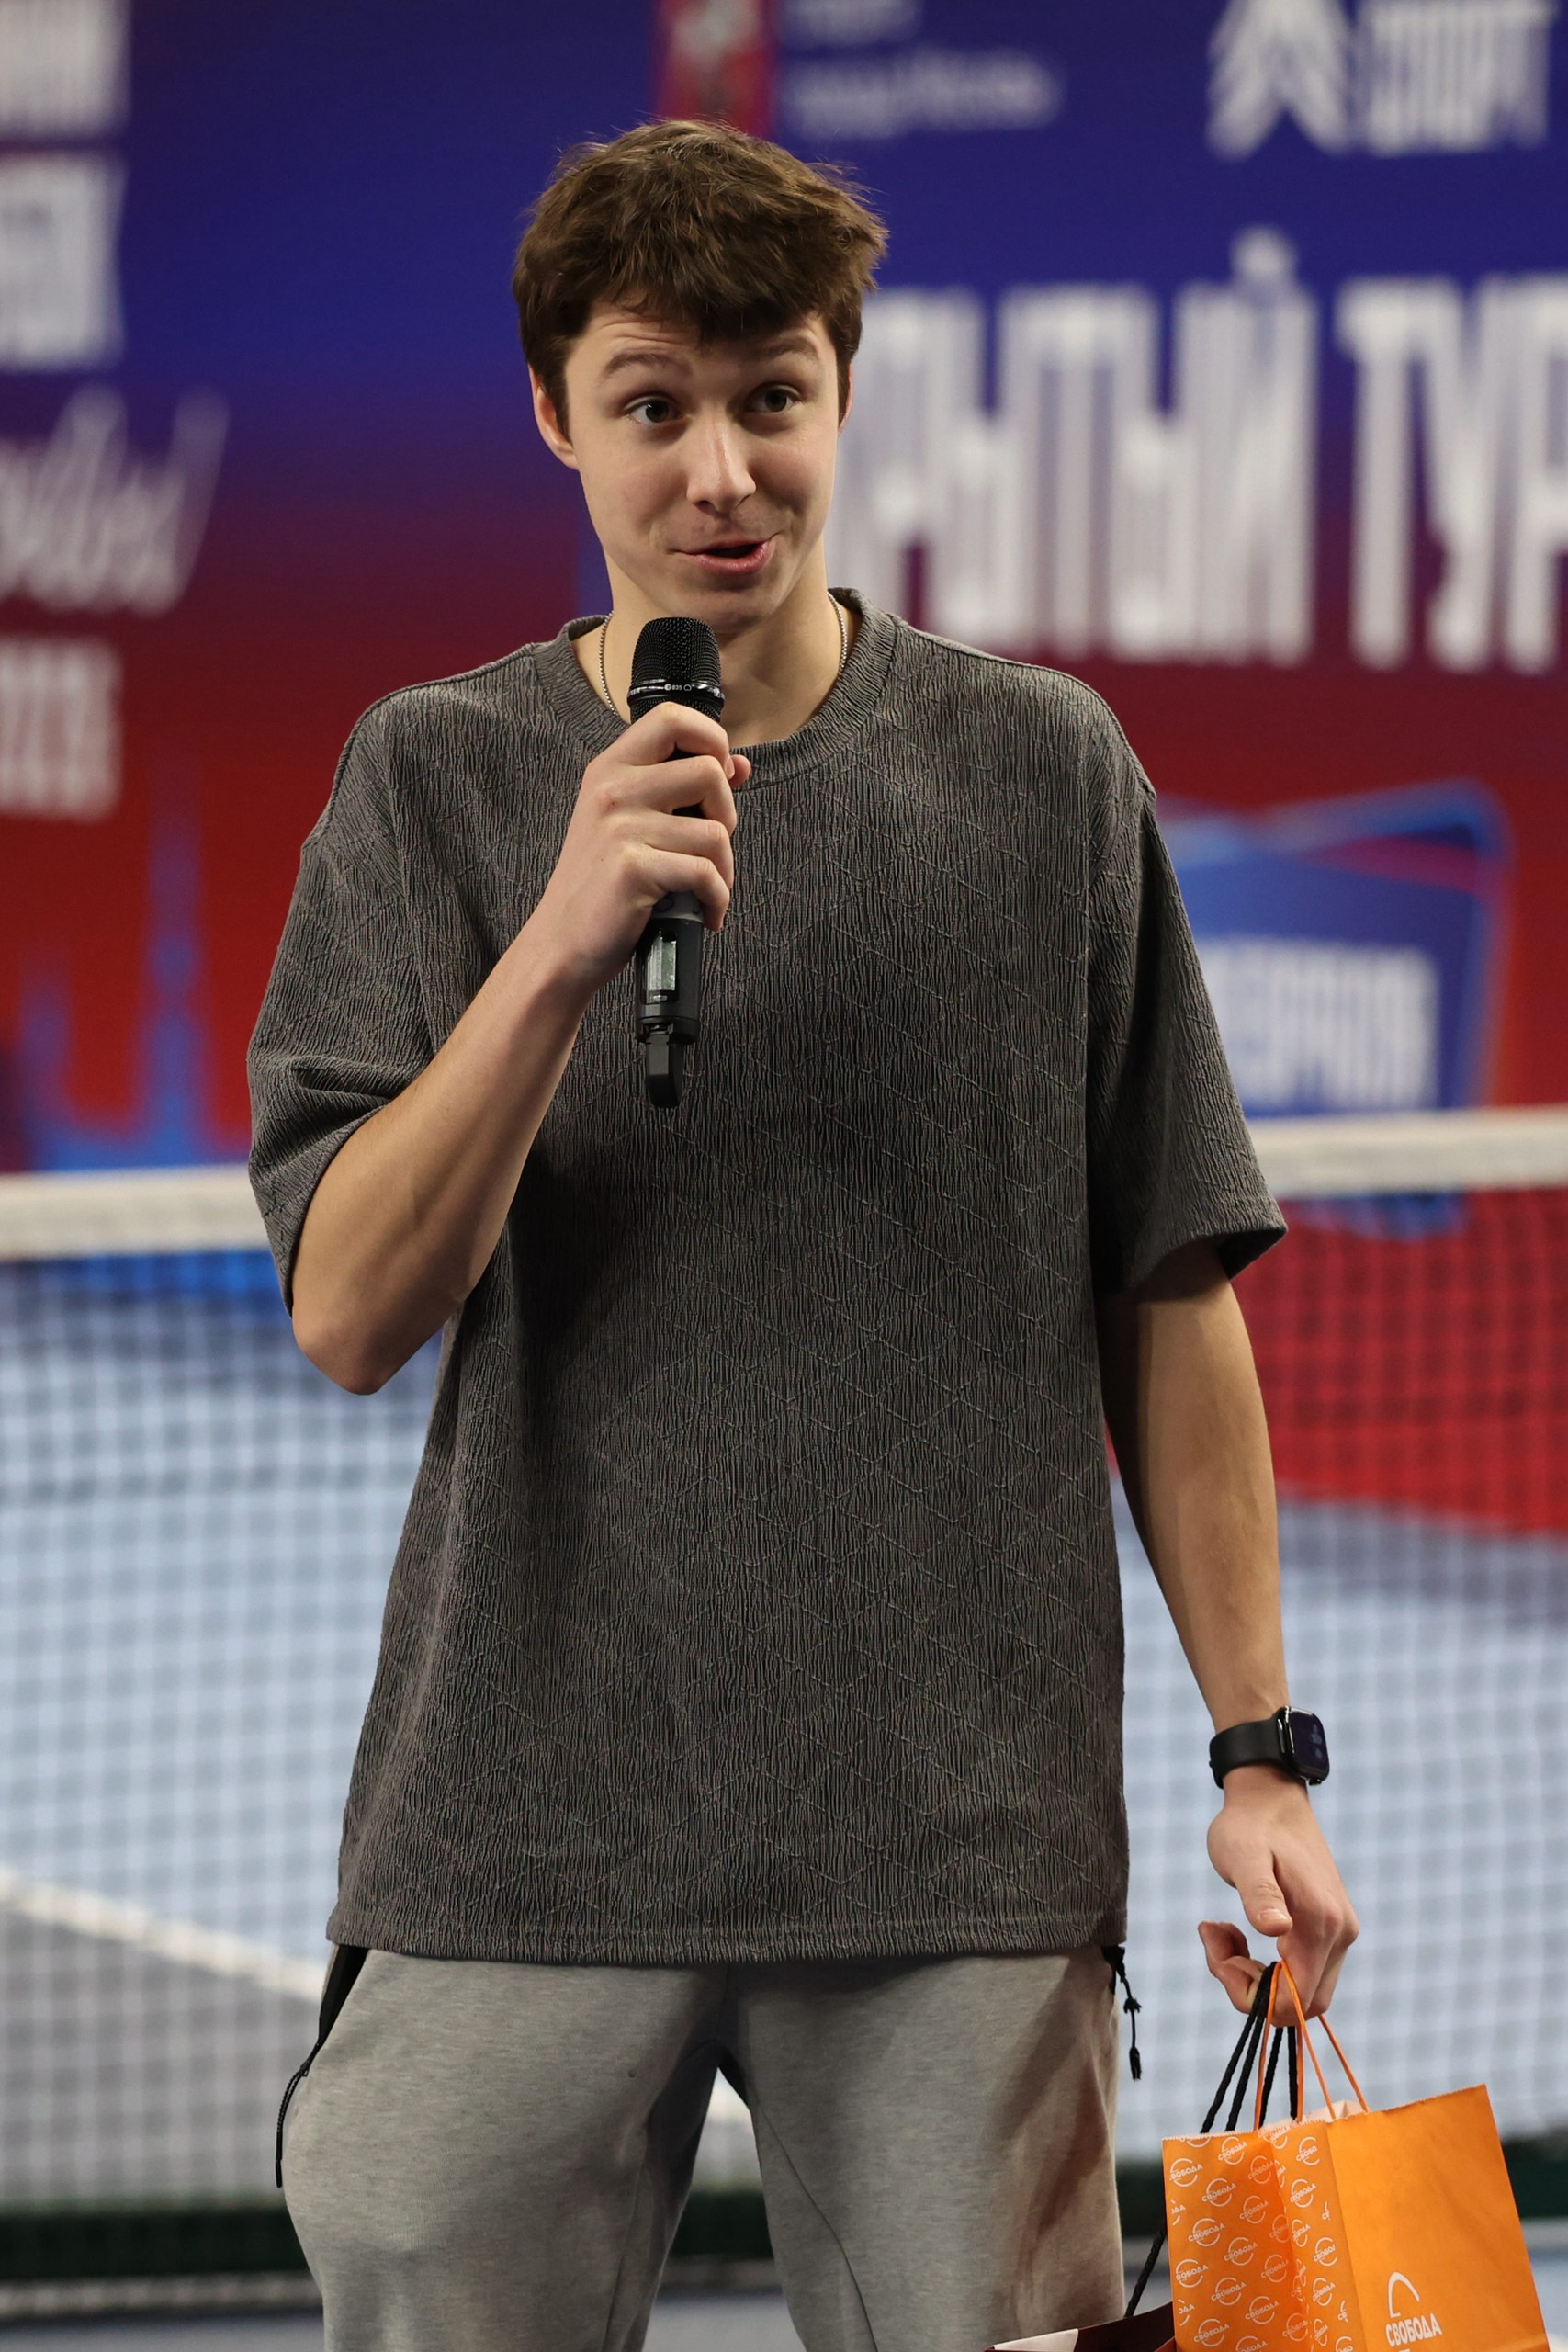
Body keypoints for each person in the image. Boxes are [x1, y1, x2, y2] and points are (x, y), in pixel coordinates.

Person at [248, 119, 1358, 2352]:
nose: (719, 469)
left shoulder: (1043, 772)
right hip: (524, 1823)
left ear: (843, 393)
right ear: (554, 415)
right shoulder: (427, 777)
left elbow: (1166, 1288)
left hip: (955, 1847)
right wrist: (560, 942)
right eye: (651, 403)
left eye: (772, 395)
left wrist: (1261, 1748)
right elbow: (352, 1309)